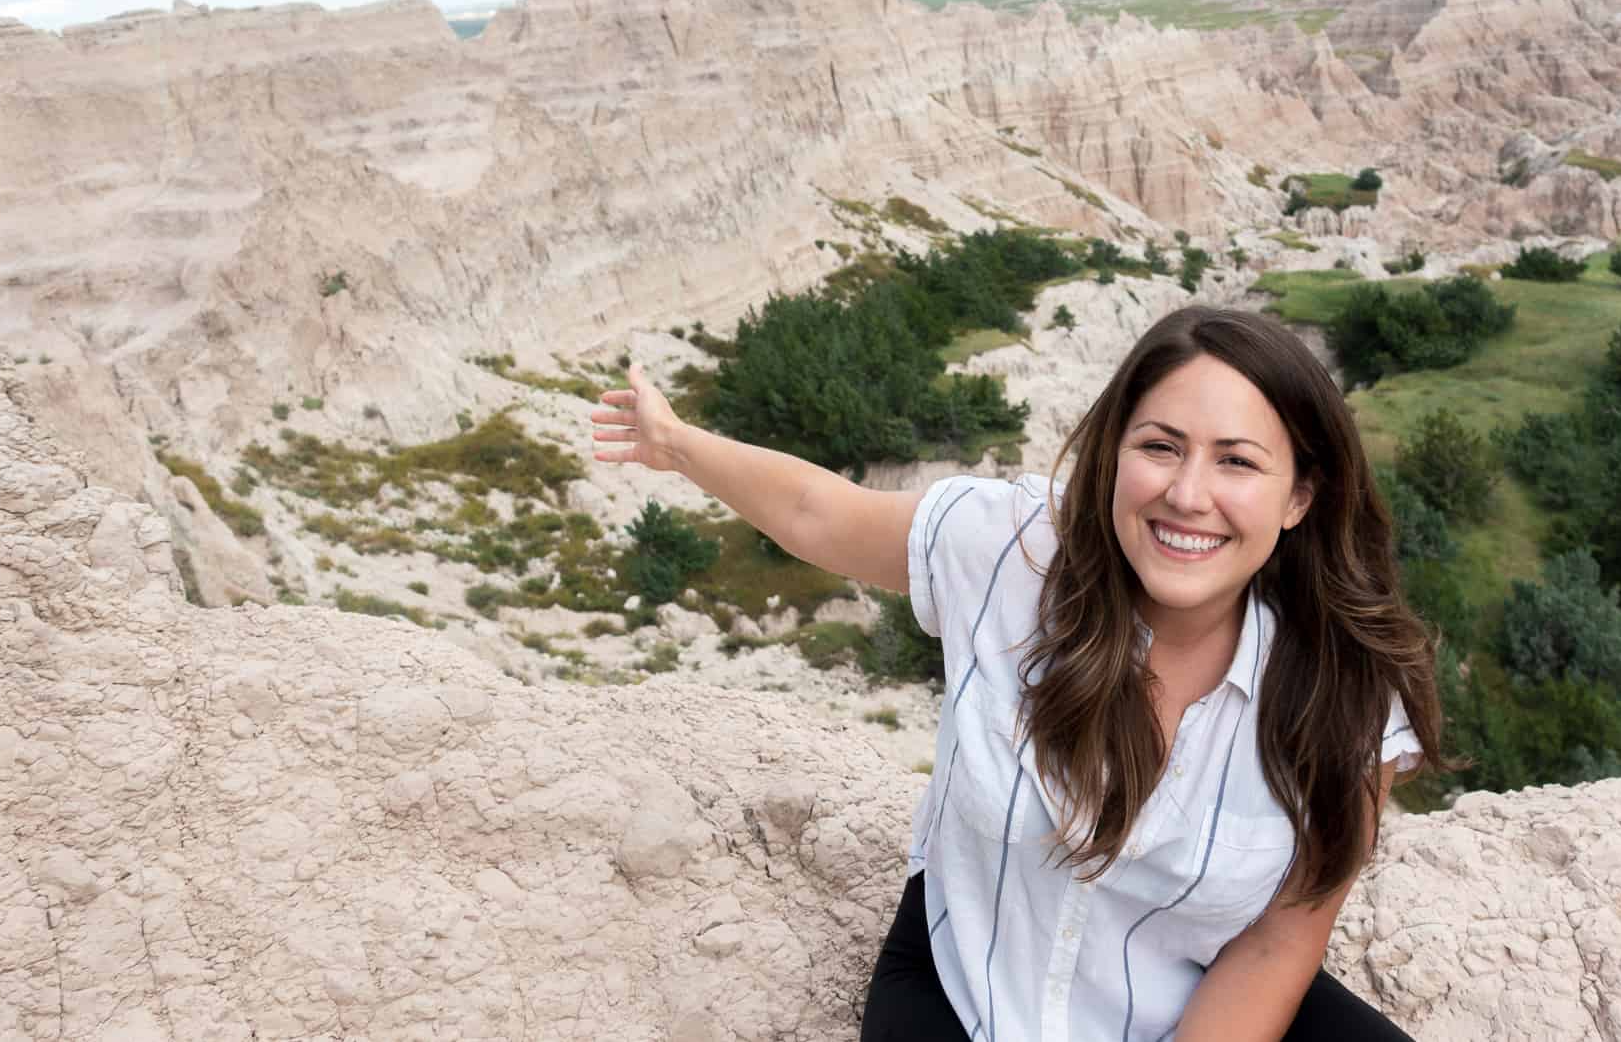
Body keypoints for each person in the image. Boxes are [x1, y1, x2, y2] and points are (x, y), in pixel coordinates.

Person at [591, 304, 1444, 1041]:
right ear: (1113, 454)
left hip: (1186, 994)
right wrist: (675, 443)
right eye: (1160, 445)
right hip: (966, 985)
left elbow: (1279, 942)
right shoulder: (1012, 551)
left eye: (1237, 461)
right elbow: (823, 514)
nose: (1188, 494)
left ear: (1299, 496)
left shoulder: (1351, 692)